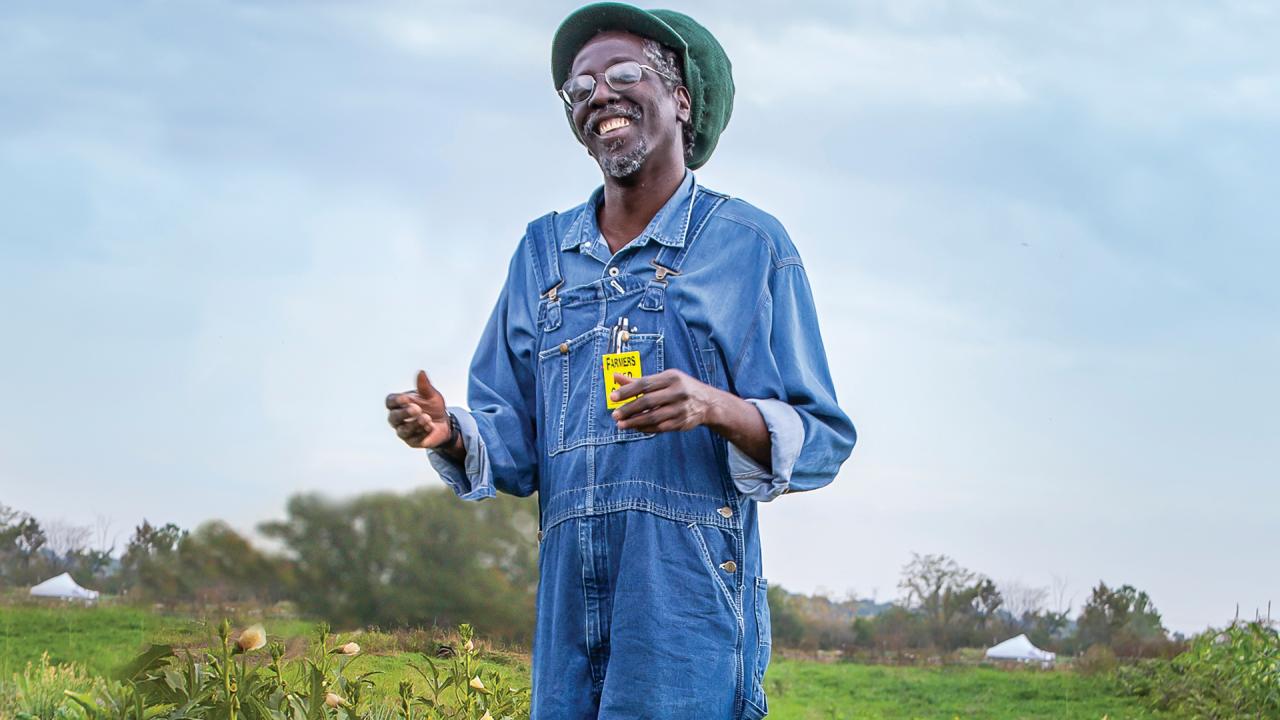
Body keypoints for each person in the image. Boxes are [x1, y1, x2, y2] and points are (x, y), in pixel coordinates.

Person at [385, 3, 855, 717]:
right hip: (567, 614)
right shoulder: (543, 256)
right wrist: (449, 430)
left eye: (623, 73)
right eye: (579, 88)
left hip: (685, 613)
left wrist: (717, 407)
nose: (597, 95)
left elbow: (823, 440)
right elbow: (511, 440)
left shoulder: (749, 246)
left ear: (682, 100)